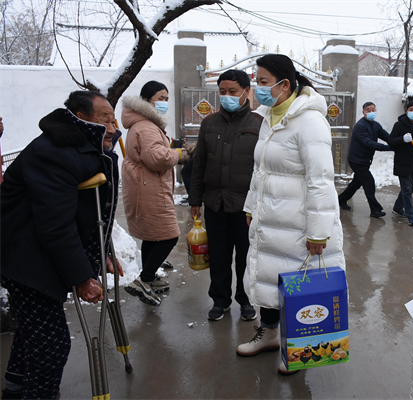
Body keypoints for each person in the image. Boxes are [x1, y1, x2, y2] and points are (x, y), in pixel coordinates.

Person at [0, 91, 123, 399]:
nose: (111, 128)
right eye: (104, 120)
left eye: (113, 120)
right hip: (25, 259)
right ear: (81, 117)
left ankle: (15, 388)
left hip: (37, 254)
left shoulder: (86, 148)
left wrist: (102, 253)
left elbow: (91, 213)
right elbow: (56, 225)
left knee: (33, 331)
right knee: (51, 346)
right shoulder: (54, 153)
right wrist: (82, 277)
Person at [237, 54, 346, 374]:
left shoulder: (310, 121)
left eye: (263, 81)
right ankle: (269, 334)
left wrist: (318, 231)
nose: (258, 87)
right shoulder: (269, 117)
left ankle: (302, 347)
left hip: (298, 222)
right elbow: (260, 170)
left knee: (299, 285)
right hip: (270, 218)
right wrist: (251, 205)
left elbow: (321, 180)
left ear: (284, 84)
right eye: (256, 80)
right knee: (269, 277)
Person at [189, 69, 262, 322]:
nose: (227, 96)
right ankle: (220, 301)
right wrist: (195, 200)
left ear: (246, 92)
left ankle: (246, 299)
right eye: (222, 92)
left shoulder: (259, 123)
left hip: (246, 207)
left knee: (245, 257)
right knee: (219, 255)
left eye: (233, 91)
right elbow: (199, 164)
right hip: (215, 203)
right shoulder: (209, 123)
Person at [121, 80, 185, 306]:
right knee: (169, 235)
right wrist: (178, 154)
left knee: (152, 235)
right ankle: (144, 280)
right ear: (147, 100)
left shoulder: (142, 123)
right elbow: (157, 158)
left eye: (166, 98)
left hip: (145, 186)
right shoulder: (147, 126)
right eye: (160, 98)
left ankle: (149, 276)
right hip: (150, 188)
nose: (164, 102)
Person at [337, 102, 392, 218]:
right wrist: (387, 148)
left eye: (373, 109)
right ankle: (375, 210)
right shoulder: (360, 126)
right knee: (369, 182)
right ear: (364, 112)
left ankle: (341, 199)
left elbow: (388, 137)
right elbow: (368, 143)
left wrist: (399, 142)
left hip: (365, 160)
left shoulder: (376, 125)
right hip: (356, 160)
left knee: (357, 182)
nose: (371, 112)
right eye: (368, 110)